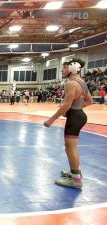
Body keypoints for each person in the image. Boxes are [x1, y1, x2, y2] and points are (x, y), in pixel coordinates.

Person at [44, 58, 92, 189]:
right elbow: (89, 101)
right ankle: (75, 172)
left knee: (70, 148)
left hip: (75, 118)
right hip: (79, 115)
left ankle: (76, 179)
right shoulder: (82, 82)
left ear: (72, 68)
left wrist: (51, 119)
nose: (62, 70)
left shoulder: (71, 83)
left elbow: (66, 105)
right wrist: (76, 109)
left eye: (65, 67)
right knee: (71, 147)